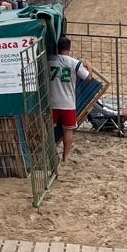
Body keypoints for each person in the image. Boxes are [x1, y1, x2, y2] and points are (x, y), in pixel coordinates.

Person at [47, 36, 93, 172]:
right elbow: (88, 78)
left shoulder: (49, 60)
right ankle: (65, 157)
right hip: (68, 103)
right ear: (69, 48)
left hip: (52, 101)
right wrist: (89, 67)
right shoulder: (74, 63)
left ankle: (50, 153)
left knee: (49, 129)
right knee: (68, 130)